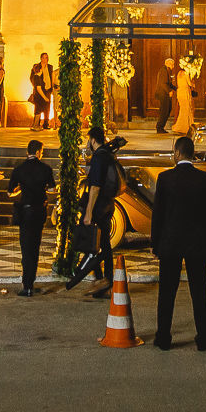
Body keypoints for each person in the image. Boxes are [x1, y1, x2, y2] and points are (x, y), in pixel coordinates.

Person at [151, 135, 206, 351]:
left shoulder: (165, 179)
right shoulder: (204, 179)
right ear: (192, 154)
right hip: (197, 244)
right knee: (200, 294)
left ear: (178, 153)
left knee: (166, 294)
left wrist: (155, 244)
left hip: (170, 243)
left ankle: (163, 338)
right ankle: (204, 339)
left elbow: (158, 214)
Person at [65, 125, 123, 296]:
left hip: (98, 206)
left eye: (87, 140)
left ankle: (101, 280)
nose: (86, 144)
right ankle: (105, 280)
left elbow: (95, 187)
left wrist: (89, 212)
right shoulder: (108, 154)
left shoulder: (99, 157)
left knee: (91, 244)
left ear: (92, 140)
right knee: (104, 244)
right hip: (108, 204)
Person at [7, 139, 55, 295]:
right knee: (35, 246)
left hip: (26, 211)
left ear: (27, 152)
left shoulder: (19, 169)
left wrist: (21, 188)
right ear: (39, 152)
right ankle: (30, 281)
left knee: (25, 247)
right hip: (40, 211)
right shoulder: (46, 169)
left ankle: (26, 284)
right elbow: (52, 189)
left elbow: (10, 192)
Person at [29, 54, 54, 130]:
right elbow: (32, 78)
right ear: (40, 58)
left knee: (47, 107)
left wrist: (51, 88)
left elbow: (52, 77)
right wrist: (36, 86)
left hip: (48, 89)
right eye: (43, 57)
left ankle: (45, 124)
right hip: (40, 90)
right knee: (38, 108)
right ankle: (36, 124)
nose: (45, 59)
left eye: (46, 58)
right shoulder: (37, 67)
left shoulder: (50, 67)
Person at [173, 59, 197, 136]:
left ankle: (184, 126)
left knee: (182, 110)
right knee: (187, 109)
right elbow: (189, 83)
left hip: (180, 92)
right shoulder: (186, 73)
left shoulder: (179, 73)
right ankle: (185, 127)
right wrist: (193, 83)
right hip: (185, 92)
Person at [154, 57, 177, 134]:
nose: (173, 66)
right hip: (163, 94)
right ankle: (159, 127)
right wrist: (169, 91)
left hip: (165, 94)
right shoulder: (163, 71)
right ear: (168, 64)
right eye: (172, 64)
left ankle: (161, 127)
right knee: (164, 111)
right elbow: (163, 83)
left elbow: (169, 83)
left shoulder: (167, 71)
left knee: (168, 110)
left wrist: (176, 88)